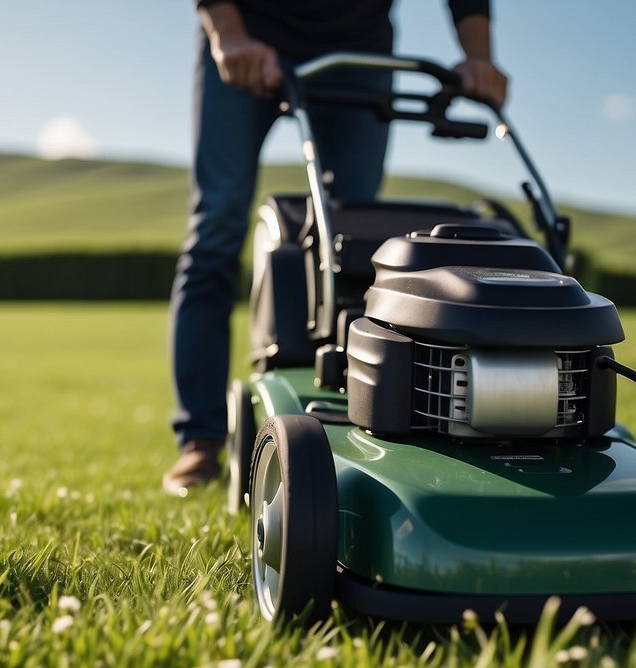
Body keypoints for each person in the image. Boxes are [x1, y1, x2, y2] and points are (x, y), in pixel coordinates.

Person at [164, 0, 508, 496]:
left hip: (359, 45)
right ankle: (200, 441)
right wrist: (228, 34)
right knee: (216, 225)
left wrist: (479, 55)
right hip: (247, 27)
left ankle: (353, 421)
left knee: (357, 241)